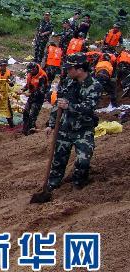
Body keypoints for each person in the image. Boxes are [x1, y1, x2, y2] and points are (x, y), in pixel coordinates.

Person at [41, 53, 102, 200]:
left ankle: (78, 184)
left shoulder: (95, 86)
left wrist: (70, 106)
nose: (67, 72)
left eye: (70, 69)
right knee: (58, 159)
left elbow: (88, 107)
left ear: (80, 69)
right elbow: (58, 104)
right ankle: (52, 184)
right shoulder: (69, 82)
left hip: (84, 129)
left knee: (83, 160)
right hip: (65, 127)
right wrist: (51, 124)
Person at [22, 62, 48, 135]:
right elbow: (28, 84)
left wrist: (29, 94)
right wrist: (22, 89)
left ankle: (31, 131)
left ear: (35, 69)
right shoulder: (31, 74)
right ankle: (25, 129)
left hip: (39, 98)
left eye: (31, 71)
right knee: (25, 112)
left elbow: (41, 91)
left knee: (32, 115)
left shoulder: (42, 76)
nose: (30, 73)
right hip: (31, 96)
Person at [0, 59, 15, 127]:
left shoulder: (9, 73)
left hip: (4, 94)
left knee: (7, 108)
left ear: (6, 65)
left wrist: (11, 82)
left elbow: (12, 81)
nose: (3, 67)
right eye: (2, 65)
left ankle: (11, 123)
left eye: (4, 65)